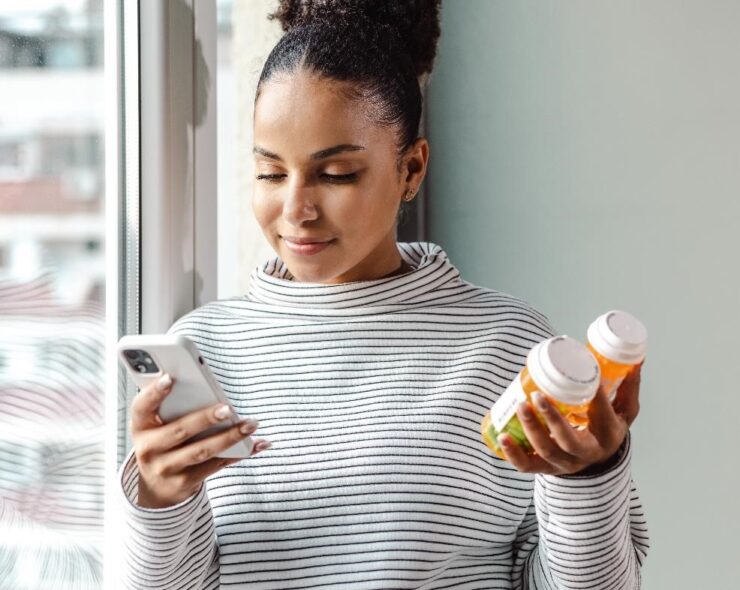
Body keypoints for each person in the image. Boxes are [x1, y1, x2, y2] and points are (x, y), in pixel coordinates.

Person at [117, 2, 649, 588]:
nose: (296, 209)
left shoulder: (509, 346)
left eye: (337, 173)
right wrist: (159, 501)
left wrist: (589, 477)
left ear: (411, 169)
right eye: (271, 173)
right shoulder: (203, 348)